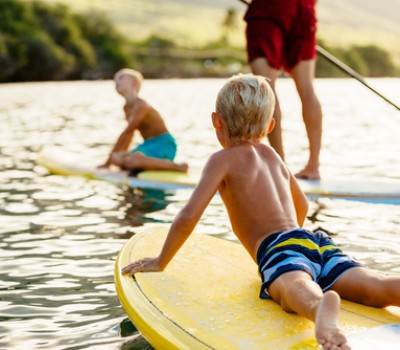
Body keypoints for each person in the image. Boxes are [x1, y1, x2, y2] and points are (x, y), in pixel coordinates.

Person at [121, 74, 400, 349]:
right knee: (374, 286)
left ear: (216, 121)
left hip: (279, 247)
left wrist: (161, 260)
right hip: (313, 240)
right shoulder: (273, 156)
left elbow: (188, 216)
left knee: (292, 287)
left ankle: (319, 310)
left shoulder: (222, 160)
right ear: (270, 126)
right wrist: (297, 245)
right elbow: (301, 202)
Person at [244, 0, 323, 180]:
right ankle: (313, 166)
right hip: (304, 6)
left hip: (269, 9)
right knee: (307, 88)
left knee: (266, 90)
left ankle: (279, 167)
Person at [98, 68, 188, 173]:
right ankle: (144, 162)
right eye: (114, 80)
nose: (116, 81)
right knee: (116, 158)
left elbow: (127, 131)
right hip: (147, 145)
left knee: (129, 161)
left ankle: (177, 167)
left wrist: (107, 163)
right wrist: (119, 156)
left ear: (135, 82)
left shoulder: (141, 105)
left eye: (121, 77)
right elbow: (129, 135)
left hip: (164, 143)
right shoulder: (126, 107)